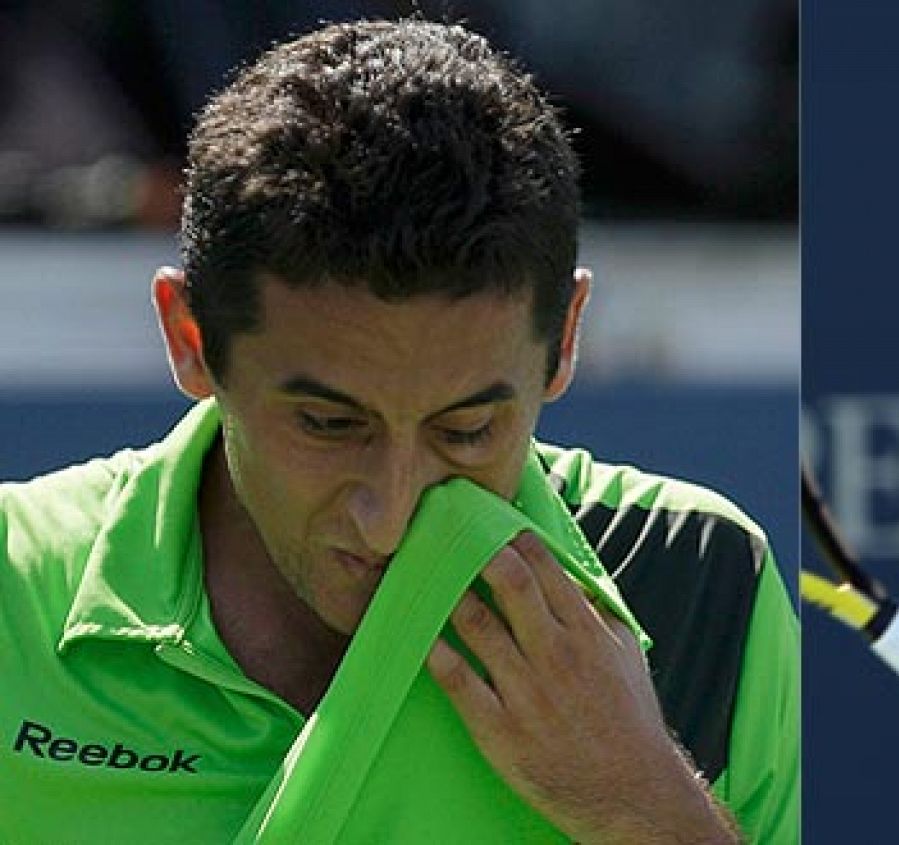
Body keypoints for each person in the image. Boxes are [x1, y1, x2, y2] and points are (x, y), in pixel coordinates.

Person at [0, 19, 797, 843]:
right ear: (190, 339)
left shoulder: (704, 580)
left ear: (564, 340)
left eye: (467, 429)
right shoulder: (8, 589)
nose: (390, 516)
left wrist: (643, 805)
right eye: (328, 424)